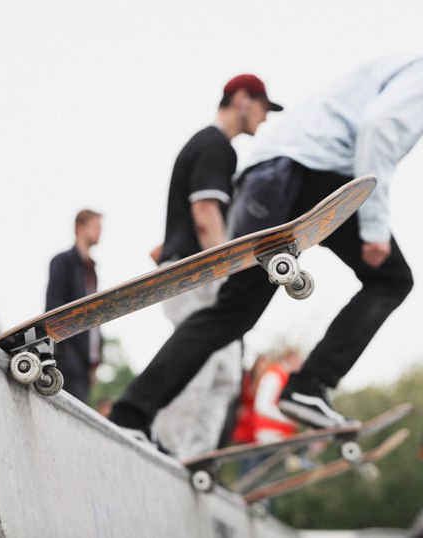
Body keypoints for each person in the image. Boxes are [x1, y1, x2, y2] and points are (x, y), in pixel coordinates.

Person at [109, 26, 423, 439]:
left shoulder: (421, 64)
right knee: (391, 278)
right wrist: (373, 227)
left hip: (274, 176)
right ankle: (309, 385)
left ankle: (132, 412)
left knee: (232, 316)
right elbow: (380, 130)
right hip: (306, 175)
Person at [147, 75, 283, 458]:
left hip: (193, 270)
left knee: (225, 374)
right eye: (263, 107)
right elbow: (205, 214)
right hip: (197, 274)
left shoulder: (216, 148)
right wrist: (229, 272)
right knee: (200, 362)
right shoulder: (214, 145)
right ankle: (162, 446)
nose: (266, 118)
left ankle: (195, 458)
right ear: (241, 99)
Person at [45, 209, 104, 403]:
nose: (100, 231)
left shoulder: (92, 270)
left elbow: (96, 317)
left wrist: (95, 359)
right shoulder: (64, 261)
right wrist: (68, 352)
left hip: (85, 364)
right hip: (67, 357)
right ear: (80, 227)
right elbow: (54, 309)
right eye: (96, 226)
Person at [253, 348, 302, 443]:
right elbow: (262, 406)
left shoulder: (284, 377)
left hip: (281, 435)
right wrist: (290, 419)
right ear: (290, 359)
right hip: (271, 435)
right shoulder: (274, 375)